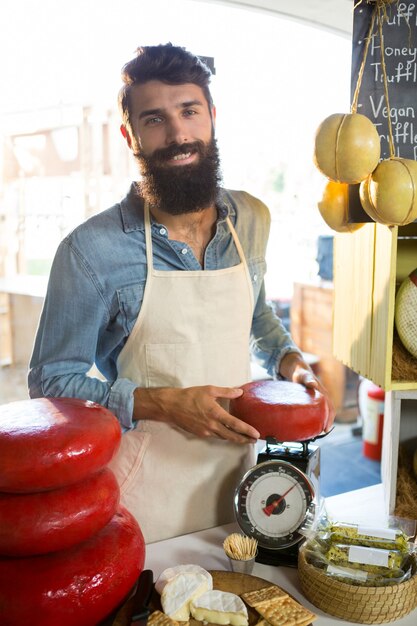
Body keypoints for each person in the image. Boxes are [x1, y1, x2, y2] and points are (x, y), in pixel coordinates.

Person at [28, 43, 334, 543]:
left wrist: (291, 362)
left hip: (248, 491)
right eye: (155, 120)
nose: (178, 135)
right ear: (131, 136)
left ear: (212, 116)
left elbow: (257, 320)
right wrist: (163, 403)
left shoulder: (252, 218)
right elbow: (51, 382)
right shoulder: (89, 251)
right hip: (145, 502)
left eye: (189, 111)